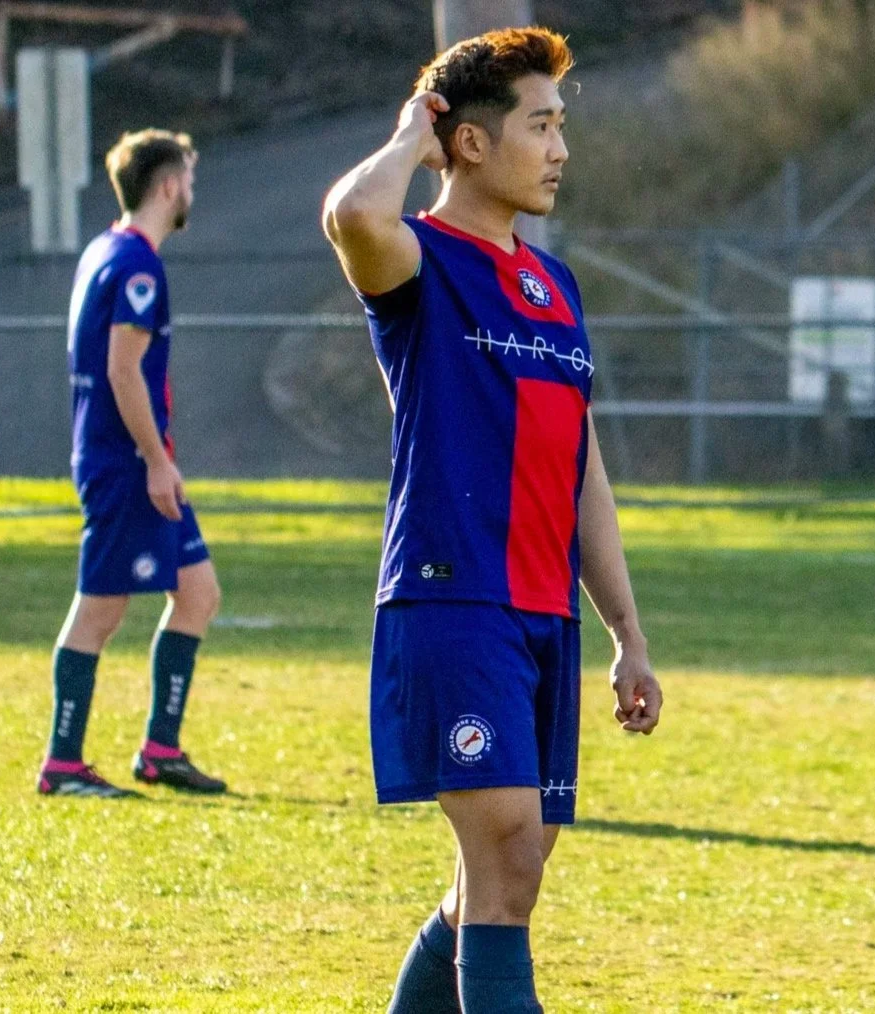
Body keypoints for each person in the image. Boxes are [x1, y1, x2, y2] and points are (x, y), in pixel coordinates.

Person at [323, 27, 662, 1013]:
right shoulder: (417, 263)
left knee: (509, 871)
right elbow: (351, 214)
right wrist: (407, 139)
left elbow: (581, 468)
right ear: (470, 143)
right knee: (507, 848)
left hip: (542, 612)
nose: (562, 150)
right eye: (542, 125)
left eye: (563, 125)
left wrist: (627, 633)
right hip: (454, 595)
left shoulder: (556, 290)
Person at [37, 129, 225, 798]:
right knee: (101, 611)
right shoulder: (139, 266)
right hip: (126, 464)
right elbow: (123, 371)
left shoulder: (104, 249)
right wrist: (154, 460)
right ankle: (62, 764)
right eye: (190, 180)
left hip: (135, 460)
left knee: (198, 593)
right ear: (168, 185)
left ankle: (160, 750)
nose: (191, 193)